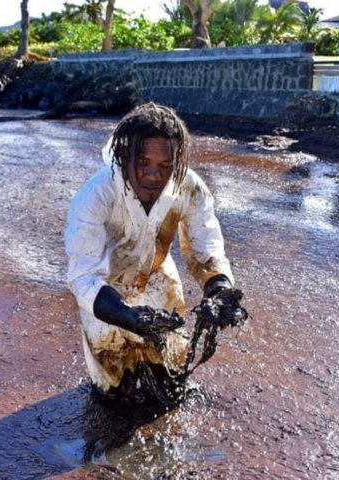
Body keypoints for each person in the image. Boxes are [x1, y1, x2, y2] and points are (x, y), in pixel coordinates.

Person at [64, 102, 243, 405]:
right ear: (124, 156)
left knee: (173, 378)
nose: (153, 176)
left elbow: (205, 247)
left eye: (165, 166)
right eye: (143, 163)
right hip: (106, 292)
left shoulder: (190, 187)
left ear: (177, 161)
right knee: (113, 390)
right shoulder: (94, 196)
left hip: (158, 277)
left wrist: (221, 289)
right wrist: (129, 318)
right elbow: (83, 277)